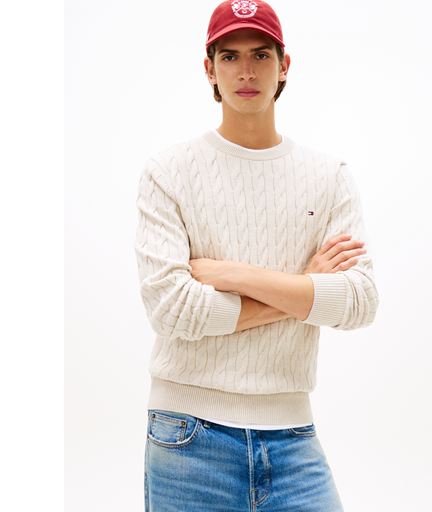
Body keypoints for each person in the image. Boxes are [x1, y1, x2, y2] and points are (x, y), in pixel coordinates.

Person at [134, 1, 379, 510]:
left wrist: (232, 274)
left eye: (261, 55)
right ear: (210, 70)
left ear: (284, 65)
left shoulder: (328, 176)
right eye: (230, 56)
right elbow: (173, 310)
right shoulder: (169, 172)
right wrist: (305, 288)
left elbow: (359, 302)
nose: (246, 71)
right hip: (187, 437)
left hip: (293, 435)